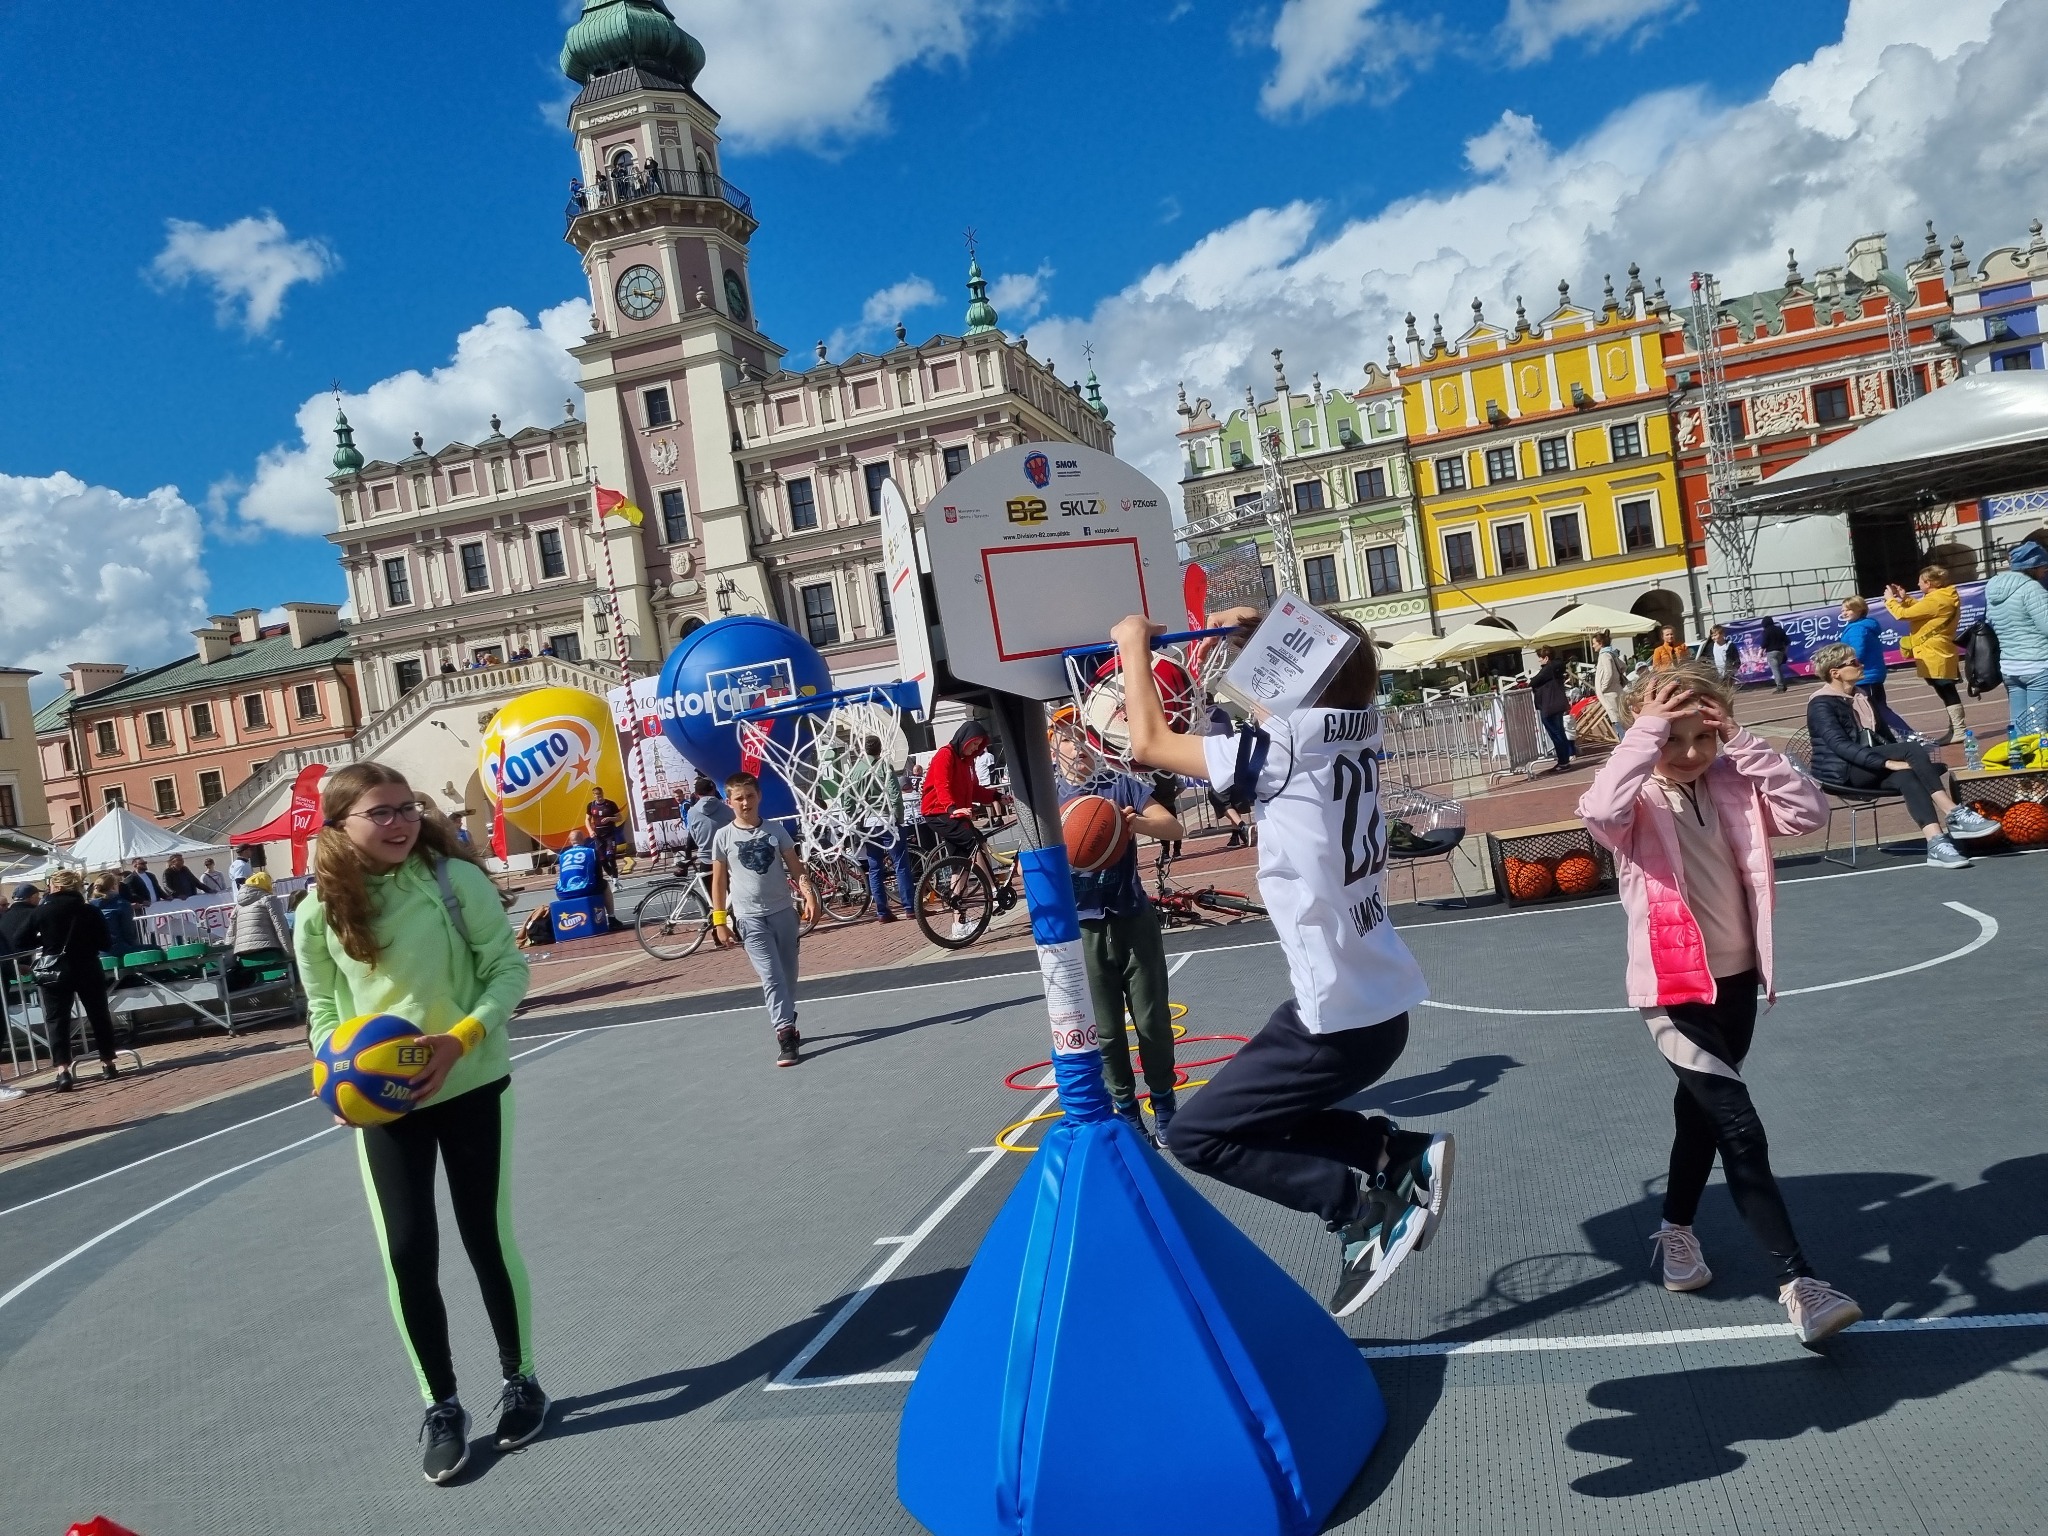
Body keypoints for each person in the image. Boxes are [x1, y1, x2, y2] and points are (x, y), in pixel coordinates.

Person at [1115, 605, 1451, 1318]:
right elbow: (1337, 661)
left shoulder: (1283, 745)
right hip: (1372, 1002)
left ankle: (1358, 1208)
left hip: (1337, 1021)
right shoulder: (1355, 725)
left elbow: (1147, 742)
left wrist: (1131, 648)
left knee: (1197, 1136)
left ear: (1296, 685)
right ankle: (1391, 1153)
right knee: (1259, 1115)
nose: (1259, 690)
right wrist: (1267, 624)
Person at [1578, 662, 1862, 1348]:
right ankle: (1801, 1285)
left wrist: (1745, 746)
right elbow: (1597, 812)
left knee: (1700, 1118)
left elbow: (1808, 812)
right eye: (1672, 740)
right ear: (1646, 737)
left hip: (1736, 983)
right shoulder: (1638, 798)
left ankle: (1675, 1231)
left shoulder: (1731, 778)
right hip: (1673, 994)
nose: (1689, 754)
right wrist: (1646, 732)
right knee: (1739, 1126)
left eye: (1702, 737)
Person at [294, 763, 545, 1484]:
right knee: (407, 1254)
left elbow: (508, 972)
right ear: (341, 826)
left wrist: (459, 1039)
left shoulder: (453, 883)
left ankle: (522, 1380)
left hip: (471, 1082)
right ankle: (440, 1405)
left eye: (407, 808)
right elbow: (323, 1009)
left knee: (485, 1238)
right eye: (382, 813)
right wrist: (333, 1075)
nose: (401, 822)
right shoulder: (318, 911)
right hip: (385, 1104)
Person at [1053, 730, 1186, 1145]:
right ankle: (1127, 1112)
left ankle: (1164, 1104)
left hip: (1132, 917)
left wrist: (1135, 823)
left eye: (1082, 738)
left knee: (1152, 1022)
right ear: (1052, 746)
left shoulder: (1118, 782)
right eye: (1067, 740)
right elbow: (1027, 868)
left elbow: (1174, 826)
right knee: (1106, 1033)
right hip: (1083, 930)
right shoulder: (1046, 799)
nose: (1078, 748)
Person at [1804, 643, 1999, 868]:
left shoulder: (1862, 696)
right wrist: (1887, 762)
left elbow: (1884, 738)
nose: (1861, 664)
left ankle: (1935, 843)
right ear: (1835, 673)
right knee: (1910, 750)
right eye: (1854, 662)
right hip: (1841, 772)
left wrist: (1909, 763)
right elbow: (1840, 747)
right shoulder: (1821, 704)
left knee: (1909, 775)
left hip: (1866, 765)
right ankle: (1953, 813)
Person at [707, 772, 819, 1068]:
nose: (745, 802)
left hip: (783, 913)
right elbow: (718, 883)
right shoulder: (724, 837)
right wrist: (720, 920)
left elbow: (797, 869)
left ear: (759, 797)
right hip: (749, 918)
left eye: (750, 796)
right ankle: (785, 1035)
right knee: (771, 976)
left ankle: (787, 1015)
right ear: (728, 802)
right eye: (739, 798)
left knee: (788, 974)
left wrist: (809, 896)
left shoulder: (776, 830)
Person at [30, 869, 120, 1090]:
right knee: (98, 1014)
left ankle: (63, 1071)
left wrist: (47, 942)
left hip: (56, 970)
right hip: (88, 966)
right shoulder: (89, 910)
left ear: (57, 887)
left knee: (57, 1019)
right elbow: (106, 942)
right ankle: (108, 1063)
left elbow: (20, 938)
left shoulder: (43, 911)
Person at [919, 719, 1002, 941]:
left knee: (960, 866)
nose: (975, 749)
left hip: (956, 814)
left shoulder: (967, 762)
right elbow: (941, 785)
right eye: (973, 744)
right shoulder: (945, 755)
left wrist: (995, 796)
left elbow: (973, 789)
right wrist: (952, 808)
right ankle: (993, 892)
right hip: (939, 812)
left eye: (978, 746)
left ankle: (959, 924)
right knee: (976, 841)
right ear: (964, 739)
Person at [1886, 566, 1967, 744]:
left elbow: (1903, 615)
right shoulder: (1942, 597)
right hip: (1936, 649)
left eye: (1921, 581)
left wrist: (1891, 600)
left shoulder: (1937, 599)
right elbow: (1924, 611)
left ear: (1928, 583)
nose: (1918, 583)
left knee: (1946, 689)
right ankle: (1955, 727)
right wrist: (1905, 598)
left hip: (1934, 651)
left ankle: (1959, 729)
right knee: (1944, 689)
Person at [840, 736, 917, 923]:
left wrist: (854, 817)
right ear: (880, 749)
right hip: (887, 819)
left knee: (875, 868)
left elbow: (847, 800)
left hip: (867, 823)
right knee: (900, 864)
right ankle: (910, 907)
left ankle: (882, 911)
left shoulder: (854, 771)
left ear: (863, 749)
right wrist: (899, 818)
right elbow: (894, 793)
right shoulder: (883, 766)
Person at [1986, 540, 2048, 739]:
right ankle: (2040, 766)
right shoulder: (2032, 589)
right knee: (2038, 723)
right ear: (2032, 566)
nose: (2045, 570)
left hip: (2010, 665)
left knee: (2018, 722)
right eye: (2043, 565)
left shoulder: (1993, 588)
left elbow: (1993, 623)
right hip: (2038, 663)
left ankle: (2017, 760)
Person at [1838, 595, 1913, 739]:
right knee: (1874, 710)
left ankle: (1910, 735)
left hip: (1866, 676)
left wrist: (1844, 665)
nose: (1844, 613)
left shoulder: (1857, 629)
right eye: (1843, 610)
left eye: (1848, 609)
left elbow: (1857, 651)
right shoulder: (1860, 626)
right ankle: (1887, 738)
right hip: (1870, 675)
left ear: (1859, 610)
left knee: (1879, 709)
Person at [230, 869, 293, 964]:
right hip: (267, 949)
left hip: (242, 954)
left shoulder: (238, 906)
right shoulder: (269, 899)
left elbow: (231, 932)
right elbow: (280, 927)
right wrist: (290, 953)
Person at [1529, 646, 1575, 770]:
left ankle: (1563, 762)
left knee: (1556, 734)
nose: (1539, 661)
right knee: (1560, 733)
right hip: (1557, 704)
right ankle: (1564, 760)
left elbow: (1534, 681)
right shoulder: (1557, 668)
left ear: (1546, 658)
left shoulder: (1548, 669)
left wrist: (1531, 682)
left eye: (1540, 658)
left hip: (1549, 705)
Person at [554, 827, 611, 923]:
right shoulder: (591, 851)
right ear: (584, 839)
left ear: (570, 842)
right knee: (604, 884)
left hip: (563, 893)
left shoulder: (562, 856)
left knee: (561, 886)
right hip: (585, 889)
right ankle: (611, 917)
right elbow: (598, 874)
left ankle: (568, 915)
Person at [683, 775, 733, 860]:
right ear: (713, 791)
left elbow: (694, 835)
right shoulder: (727, 808)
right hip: (727, 857)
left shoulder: (691, 812)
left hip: (705, 858)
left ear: (695, 794)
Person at [90, 875, 140, 955]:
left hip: (97, 952)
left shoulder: (89, 906)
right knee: (156, 950)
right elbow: (128, 933)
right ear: (113, 887)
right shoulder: (122, 904)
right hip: (119, 948)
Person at [1592, 629, 1629, 736]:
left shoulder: (1604, 655)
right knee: (1621, 719)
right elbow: (1623, 666)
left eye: (1594, 643)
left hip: (1609, 694)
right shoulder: (1611, 653)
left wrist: (1603, 688)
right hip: (1616, 690)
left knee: (1616, 720)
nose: (1593, 646)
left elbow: (1609, 673)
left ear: (1600, 643)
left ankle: (1624, 747)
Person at [584, 788, 623, 877]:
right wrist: (590, 831)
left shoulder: (610, 804)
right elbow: (587, 819)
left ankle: (615, 879)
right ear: (594, 795)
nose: (600, 797)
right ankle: (612, 876)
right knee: (602, 860)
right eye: (597, 795)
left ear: (603, 794)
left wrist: (610, 818)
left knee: (611, 857)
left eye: (601, 795)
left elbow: (620, 818)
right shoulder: (591, 805)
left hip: (610, 834)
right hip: (598, 835)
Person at [0, 883, 40, 954]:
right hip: (28, 958)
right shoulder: (35, 913)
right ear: (32, 897)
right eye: (37, 896)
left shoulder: (4, 916)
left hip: (7, 959)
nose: (39, 899)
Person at [1759, 616, 1791, 693]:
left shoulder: (1766, 631)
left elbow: (1764, 643)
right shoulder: (1779, 629)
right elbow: (1787, 641)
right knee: (1778, 669)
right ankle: (1783, 685)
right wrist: (1785, 652)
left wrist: (1760, 652)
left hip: (1771, 653)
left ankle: (1780, 686)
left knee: (1775, 670)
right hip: (1780, 652)